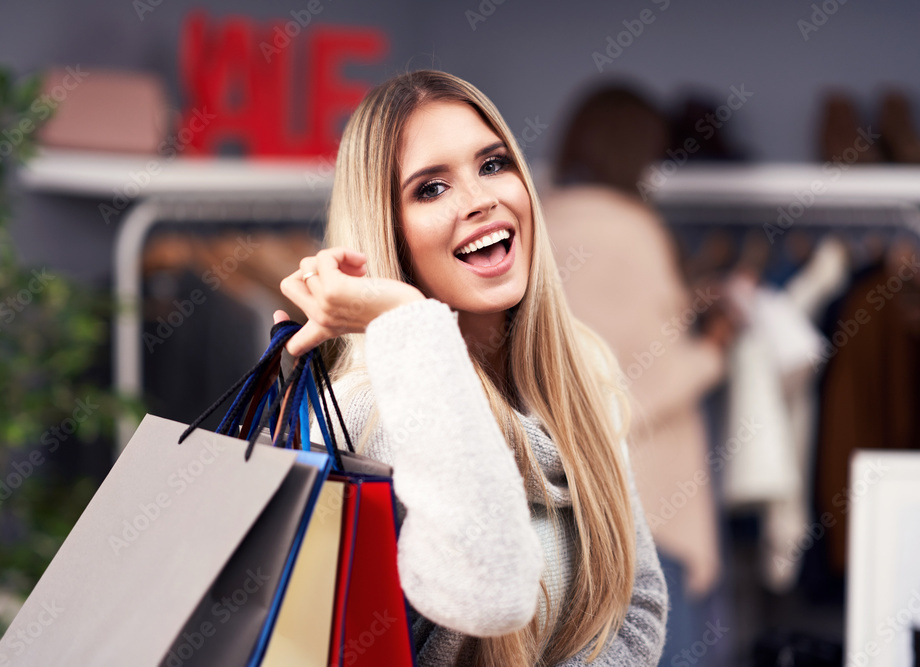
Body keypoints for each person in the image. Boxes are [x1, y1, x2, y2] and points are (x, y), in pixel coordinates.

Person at [273, 70, 667, 666]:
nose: (481, 200)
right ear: (389, 231)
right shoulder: (367, 408)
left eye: (492, 165)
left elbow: (638, 606)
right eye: (430, 189)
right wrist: (405, 319)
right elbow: (491, 595)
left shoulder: (585, 366)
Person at [543, 84, 736, 666]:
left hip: (569, 495)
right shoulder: (632, 229)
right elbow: (640, 386)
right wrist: (715, 347)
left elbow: (590, 354)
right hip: (648, 499)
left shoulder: (541, 224)